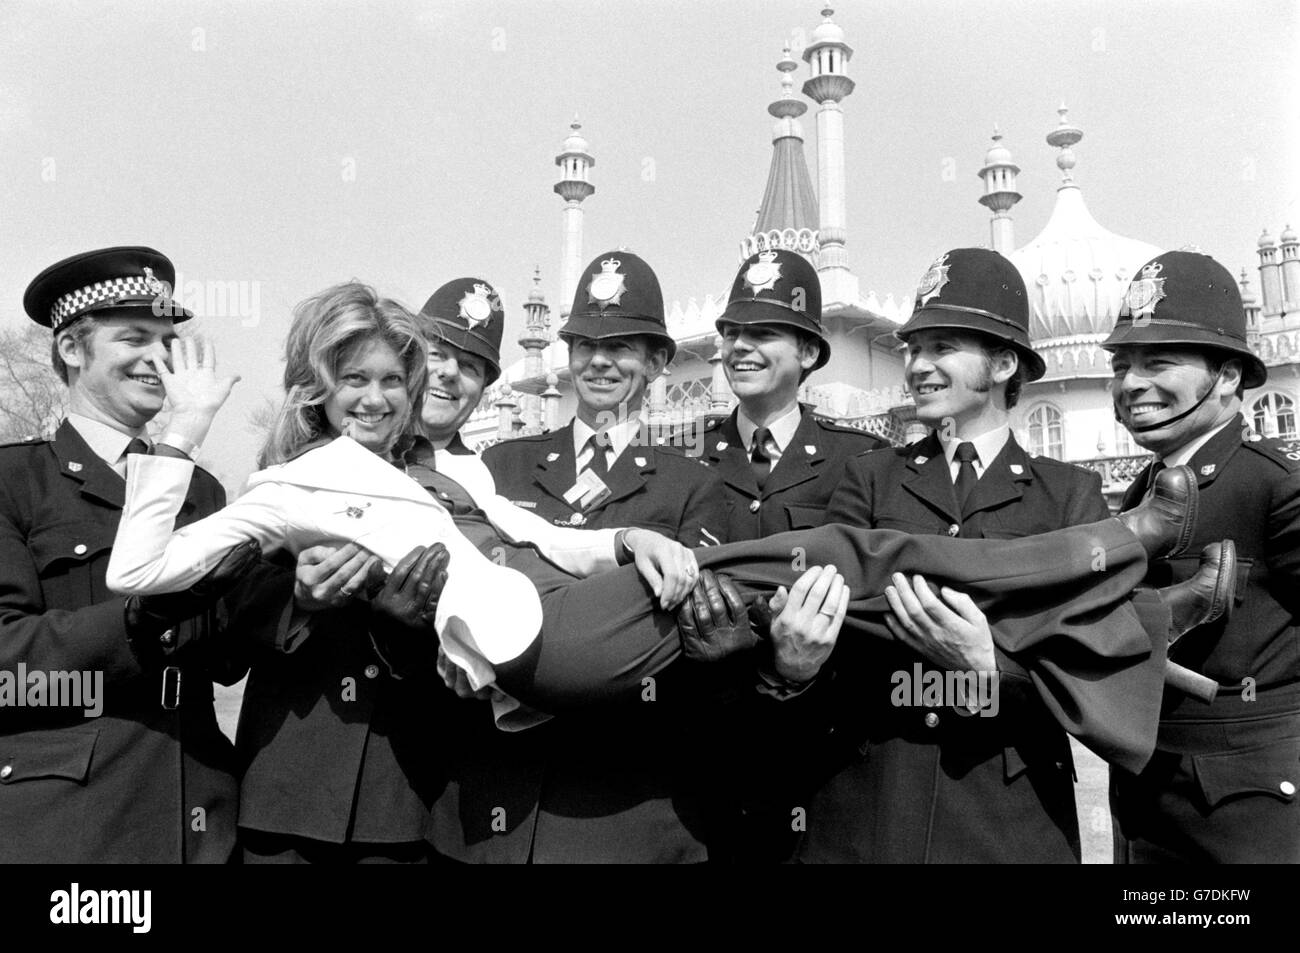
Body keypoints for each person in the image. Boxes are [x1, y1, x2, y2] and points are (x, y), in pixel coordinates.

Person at [103, 285, 1209, 782]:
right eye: (358, 379)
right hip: (551, 651)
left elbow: (548, 533)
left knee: (841, 587)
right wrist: (177, 438)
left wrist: (628, 543)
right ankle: (1114, 551)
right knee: (837, 558)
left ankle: (1135, 603)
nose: (384, 397)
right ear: (317, 385)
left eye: (399, 377)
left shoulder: (453, 468)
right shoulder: (287, 487)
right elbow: (142, 567)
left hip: (569, 615)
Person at [797, 248, 1233, 864]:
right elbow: (836, 628)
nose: (917, 366)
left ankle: (1153, 610)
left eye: (941, 348)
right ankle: (1156, 595)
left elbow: (1081, 668)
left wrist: (990, 665)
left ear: (1003, 364)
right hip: (870, 798)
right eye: (912, 349)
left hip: (1005, 812)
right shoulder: (868, 478)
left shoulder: (1067, 493)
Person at [442, 257, 737, 863]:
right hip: (496, 803)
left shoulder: (693, 485)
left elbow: (687, 644)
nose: (599, 361)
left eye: (621, 346)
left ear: (657, 362)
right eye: (585, 344)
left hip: (620, 807)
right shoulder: (500, 467)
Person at [0, 246, 268, 863]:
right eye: (134, 337)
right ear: (72, 348)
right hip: (71, 825)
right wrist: (132, 622)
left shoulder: (199, 490)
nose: (158, 358)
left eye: (168, 340)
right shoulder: (17, 481)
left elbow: (222, 665)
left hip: (199, 818)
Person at [1106, 250, 1300, 863]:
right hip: (1147, 805)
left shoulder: (1274, 488)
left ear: (1228, 377)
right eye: (1122, 364)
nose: (1132, 383)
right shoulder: (1142, 492)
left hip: (1249, 815)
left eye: (1157, 361)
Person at [695, 248, 889, 541]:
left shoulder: (859, 460)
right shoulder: (685, 454)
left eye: (763, 334)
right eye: (732, 334)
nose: (740, 347)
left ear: (808, 352)